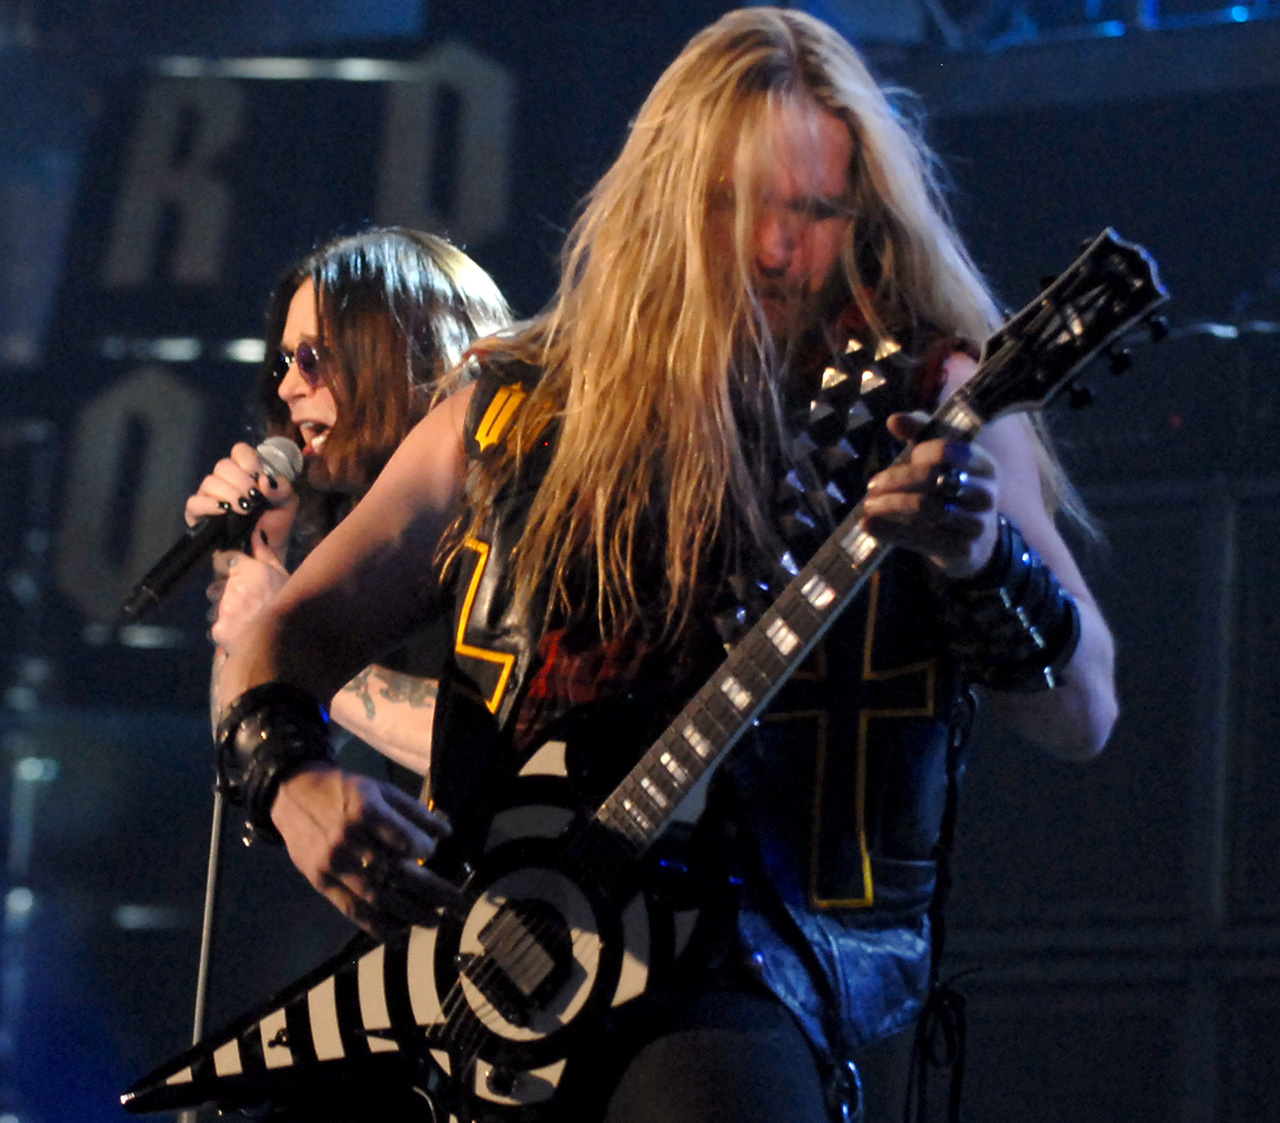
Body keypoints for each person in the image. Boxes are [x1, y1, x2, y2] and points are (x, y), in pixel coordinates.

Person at [212, 10, 1117, 1121]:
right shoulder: (510, 403)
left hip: (749, 974)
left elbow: (1084, 712)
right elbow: (284, 636)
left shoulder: (929, 396)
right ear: (665, 203)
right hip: (489, 962)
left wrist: (981, 561)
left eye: (816, 210)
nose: (781, 248)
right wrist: (290, 781)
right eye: (743, 207)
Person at [186, 226, 511, 782]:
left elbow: (512, 743)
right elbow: (258, 765)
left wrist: (288, 641)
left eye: (311, 357)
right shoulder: (346, 528)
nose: (289, 388)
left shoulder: (514, 505)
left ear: (404, 349)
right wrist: (254, 561)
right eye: (285, 362)